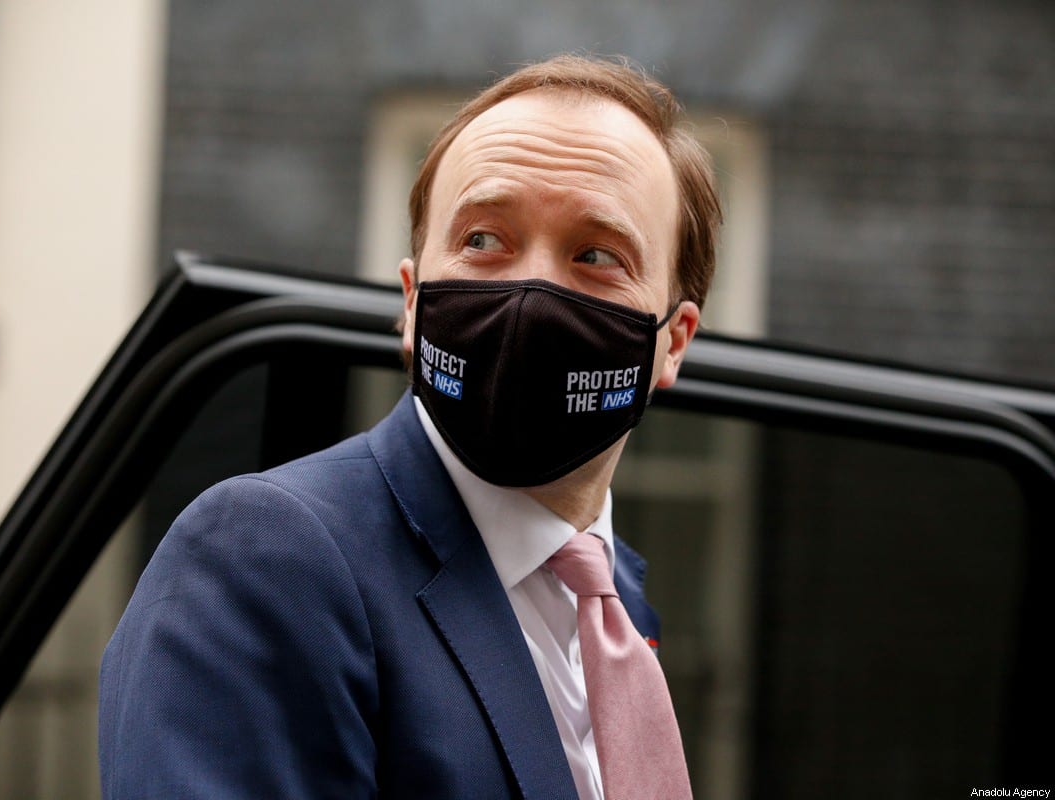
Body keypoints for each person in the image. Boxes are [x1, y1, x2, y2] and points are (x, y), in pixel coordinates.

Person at [99, 54, 721, 800]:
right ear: (412, 300)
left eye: (596, 255)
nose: (531, 295)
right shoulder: (265, 558)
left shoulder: (614, 605)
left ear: (673, 341)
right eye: (483, 241)